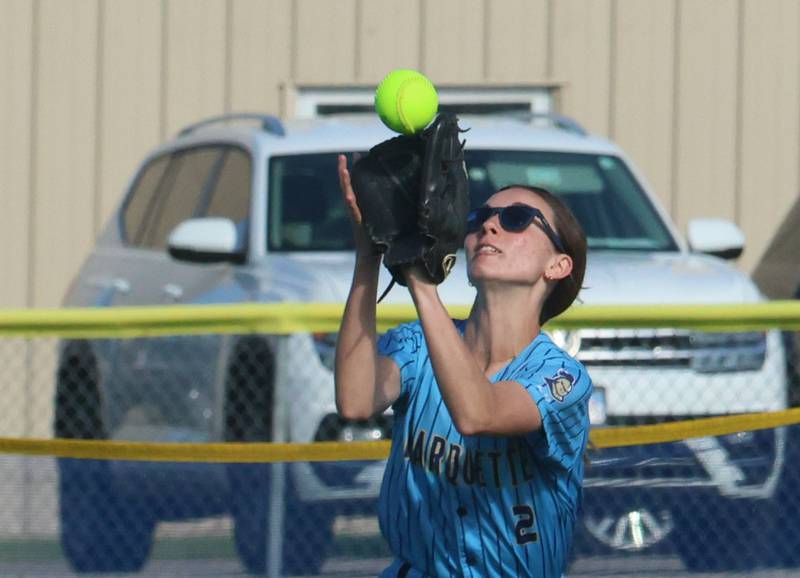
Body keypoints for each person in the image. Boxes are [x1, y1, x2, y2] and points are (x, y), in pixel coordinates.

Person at [334, 153, 592, 578]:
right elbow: (356, 401)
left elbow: (479, 413)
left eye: (517, 218)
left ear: (558, 265)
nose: (489, 225)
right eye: (480, 217)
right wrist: (369, 256)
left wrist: (419, 280)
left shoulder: (561, 377)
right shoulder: (419, 342)